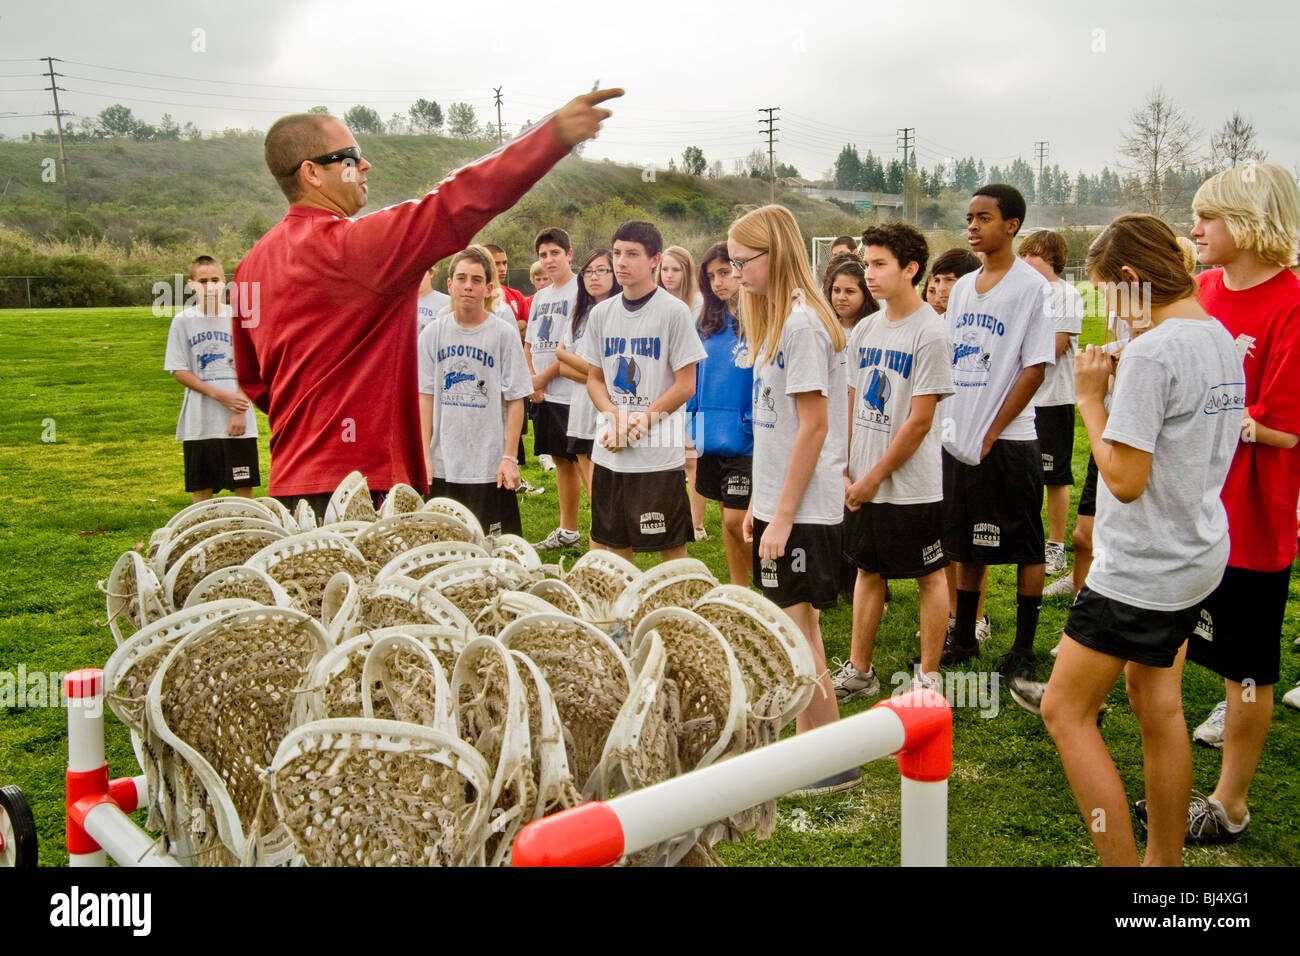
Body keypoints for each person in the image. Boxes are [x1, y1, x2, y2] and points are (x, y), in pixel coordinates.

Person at [231, 89, 622, 520]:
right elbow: (454, 204)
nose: (365, 164)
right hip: (364, 485)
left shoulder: (251, 265)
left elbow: (254, 381)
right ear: (311, 173)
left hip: (292, 486)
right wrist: (552, 136)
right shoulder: (353, 247)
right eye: (349, 156)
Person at [1031, 214, 1245, 867]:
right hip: (1195, 555)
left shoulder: (1153, 352)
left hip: (1142, 569)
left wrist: (1091, 398)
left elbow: (1123, 480)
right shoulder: (1213, 333)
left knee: (1065, 712)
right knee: (1159, 705)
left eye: (1104, 296)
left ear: (1130, 279)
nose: (1104, 312)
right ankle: (1164, 863)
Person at [1179, 163, 1300, 842]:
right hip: (1187, 511)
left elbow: (1282, 425)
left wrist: (1208, 407)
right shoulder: (1200, 290)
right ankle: (1170, 781)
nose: (1196, 228)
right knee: (1160, 650)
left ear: (1252, 223)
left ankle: (1229, 806)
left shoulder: (1292, 304)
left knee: (1245, 674)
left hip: (1251, 519)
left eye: (1211, 216)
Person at [729, 204, 855, 796]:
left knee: (796, 631)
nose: (735, 271)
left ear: (774, 254)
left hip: (804, 509)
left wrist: (781, 515)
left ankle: (828, 761)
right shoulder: (776, 324)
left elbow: (813, 427)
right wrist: (760, 501)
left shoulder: (803, 324)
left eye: (742, 260)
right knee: (798, 630)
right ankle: (821, 753)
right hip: (782, 502)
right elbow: (773, 430)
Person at [834, 223, 954, 700]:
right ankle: (860, 671)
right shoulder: (865, 327)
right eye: (867, 263)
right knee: (868, 570)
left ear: (911, 269)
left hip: (912, 486)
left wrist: (875, 477)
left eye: (880, 264)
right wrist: (849, 464)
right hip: (863, 478)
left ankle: (928, 679)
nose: (870, 274)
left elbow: (920, 421)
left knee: (929, 576)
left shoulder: (930, 331)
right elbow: (851, 396)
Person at [939, 185, 1054, 679]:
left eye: (983, 217)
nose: (972, 226)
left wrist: (993, 428)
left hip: (1009, 439)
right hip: (962, 436)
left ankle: (1023, 649)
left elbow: (1035, 367)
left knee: (1026, 544)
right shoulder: (964, 287)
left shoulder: (1031, 287)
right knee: (964, 541)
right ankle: (964, 636)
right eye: (969, 217)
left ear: (1011, 225)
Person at [578, 220, 706, 561]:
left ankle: (678, 612)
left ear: (655, 260)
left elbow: (686, 384)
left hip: (657, 452)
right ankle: (623, 614)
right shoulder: (601, 314)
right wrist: (615, 418)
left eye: (632, 254)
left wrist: (639, 426)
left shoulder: (673, 312)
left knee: (670, 545)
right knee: (615, 545)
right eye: (617, 253)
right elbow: (594, 379)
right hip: (611, 449)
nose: (621, 262)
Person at [418, 246, 530, 537]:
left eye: (477, 280)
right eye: (462, 278)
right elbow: (426, 396)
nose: (468, 286)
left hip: (489, 465)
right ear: (450, 284)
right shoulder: (433, 333)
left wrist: (509, 457)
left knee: (495, 553)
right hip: (445, 464)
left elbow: (516, 399)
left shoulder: (503, 334)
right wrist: (425, 456)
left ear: (489, 288)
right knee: (443, 549)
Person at [164, 255, 260, 503]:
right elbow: (179, 370)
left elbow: (253, 366)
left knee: (243, 490)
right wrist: (220, 396)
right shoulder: (183, 321)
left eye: (215, 280)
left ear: (224, 282)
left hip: (238, 422)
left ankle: (245, 535)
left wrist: (239, 407)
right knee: (202, 491)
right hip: (200, 423)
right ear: (191, 285)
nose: (210, 286)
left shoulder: (239, 317)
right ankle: (204, 539)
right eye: (203, 281)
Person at [686, 243, 753, 585]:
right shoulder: (706, 323)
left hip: (747, 439)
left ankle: (767, 583)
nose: (717, 282)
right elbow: (694, 377)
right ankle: (739, 590)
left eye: (724, 273)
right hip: (710, 436)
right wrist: (691, 420)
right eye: (711, 276)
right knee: (727, 516)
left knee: (735, 519)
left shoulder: (761, 320)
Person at [1020, 230, 1085, 578]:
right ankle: (1027, 541)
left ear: (1053, 260)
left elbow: (1054, 347)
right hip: (1021, 400)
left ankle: (1056, 545)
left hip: (1052, 399)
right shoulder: (1023, 294)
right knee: (1024, 474)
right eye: (1024, 255)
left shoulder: (1066, 294)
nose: (1027, 261)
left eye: (1035, 256)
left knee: (1054, 476)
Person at [525, 227, 585, 549]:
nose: (549, 260)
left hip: (574, 395)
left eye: (555, 253)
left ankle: (606, 537)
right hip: (545, 395)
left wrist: (540, 379)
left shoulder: (580, 292)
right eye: (543, 255)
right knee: (561, 462)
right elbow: (529, 343)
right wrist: (532, 380)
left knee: (584, 463)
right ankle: (568, 531)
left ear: (569, 254)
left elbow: (576, 352)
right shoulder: (539, 298)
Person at [555, 248, 621, 512]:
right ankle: (601, 548)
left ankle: (610, 549)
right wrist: (569, 360)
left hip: (606, 414)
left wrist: (563, 355)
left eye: (601, 270)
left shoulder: (618, 313)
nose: (594, 277)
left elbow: (610, 373)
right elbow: (563, 369)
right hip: (580, 413)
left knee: (605, 498)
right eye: (588, 272)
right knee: (595, 498)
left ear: (614, 274)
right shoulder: (578, 315)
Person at [658, 245, 706, 534]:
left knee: (692, 457)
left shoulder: (697, 304)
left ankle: (696, 522)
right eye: (665, 269)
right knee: (665, 455)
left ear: (687, 273)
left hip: (693, 388)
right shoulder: (656, 301)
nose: (669, 275)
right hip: (664, 389)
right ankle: (667, 515)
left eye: (676, 270)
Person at [822, 254, 878, 332]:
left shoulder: (875, 328)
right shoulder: (824, 329)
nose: (841, 297)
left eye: (849, 291)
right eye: (836, 290)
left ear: (865, 293)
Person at [485, 244, 530, 334]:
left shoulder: (516, 296)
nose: (502, 268)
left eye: (504, 263)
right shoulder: (475, 297)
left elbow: (530, 332)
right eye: (497, 264)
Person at [926, 248, 982, 316]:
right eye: (937, 280)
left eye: (949, 279)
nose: (941, 288)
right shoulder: (936, 323)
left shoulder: (985, 320)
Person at [416, 266, 451, 335]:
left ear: (431, 273)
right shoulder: (401, 304)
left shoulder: (447, 302)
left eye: (421, 273)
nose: (418, 278)